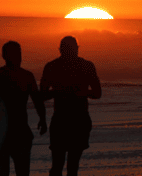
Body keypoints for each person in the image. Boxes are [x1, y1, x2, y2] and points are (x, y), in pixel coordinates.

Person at [0, 41, 47, 176]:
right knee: (18, 172)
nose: (19, 57)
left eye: (19, 53)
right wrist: (43, 119)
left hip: (9, 133)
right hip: (11, 133)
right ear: (5, 56)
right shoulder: (23, 76)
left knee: (8, 172)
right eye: (16, 54)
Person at [40, 36, 102, 176]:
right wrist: (70, 92)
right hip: (73, 120)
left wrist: (64, 92)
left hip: (70, 120)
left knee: (60, 165)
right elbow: (97, 93)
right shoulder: (86, 66)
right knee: (69, 166)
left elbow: (42, 95)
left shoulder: (52, 66)